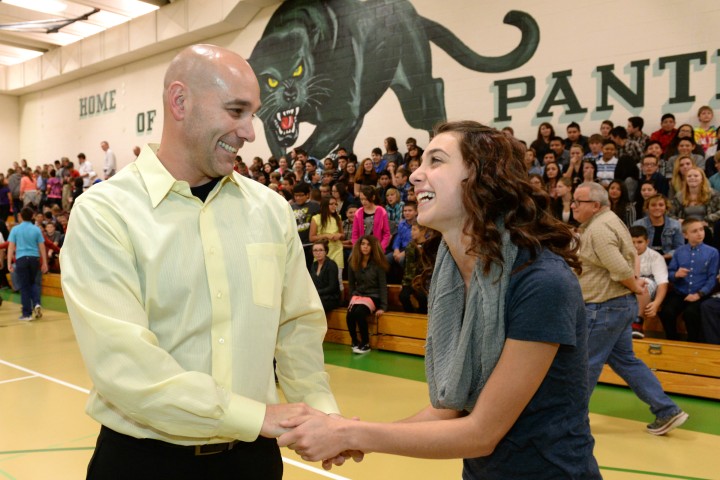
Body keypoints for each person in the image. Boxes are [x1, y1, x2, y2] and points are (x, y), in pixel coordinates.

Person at [60, 44, 349, 480]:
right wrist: (254, 416)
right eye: (236, 111)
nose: (250, 132)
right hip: (143, 462)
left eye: (252, 114)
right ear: (180, 102)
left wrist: (323, 415)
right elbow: (128, 368)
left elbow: (297, 327)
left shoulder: (270, 210)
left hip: (254, 460)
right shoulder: (105, 213)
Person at [278, 122, 601, 479]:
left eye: (436, 161)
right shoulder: (453, 277)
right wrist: (352, 438)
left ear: (481, 178)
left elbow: (481, 432)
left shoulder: (542, 282)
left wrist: (349, 433)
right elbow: (447, 411)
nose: (415, 175)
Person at [572, 181, 689, 436]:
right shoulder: (608, 220)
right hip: (616, 306)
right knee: (626, 361)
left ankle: (571, 424)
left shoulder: (599, 229)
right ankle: (666, 410)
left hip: (603, 307)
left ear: (594, 205)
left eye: (577, 201)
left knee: (585, 364)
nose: (572, 206)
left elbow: (620, 268)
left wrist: (635, 286)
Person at [658, 218, 719, 342]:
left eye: (701, 230)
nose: (700, 233)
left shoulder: (712, 252)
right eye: (694, 231)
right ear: (685, 235)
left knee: (691, 313)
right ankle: (672, 340)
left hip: (700, 293)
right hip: (680, 292)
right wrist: (676, 275)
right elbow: (669, 273)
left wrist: (699, 294)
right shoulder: (679, 252)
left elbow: (712, 278)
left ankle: (693, 342)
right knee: (667, 312)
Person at [345, 234, 388, 354]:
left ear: (373, 247)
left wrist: (383, 307)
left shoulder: (378, 264)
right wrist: (351, 300)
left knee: (359, 312)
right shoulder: (353, 261)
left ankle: (366, 343)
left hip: (373, 296)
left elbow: (382, 286)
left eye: (368, 245)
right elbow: (352, 284)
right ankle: (354, 341)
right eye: (363, 244)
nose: (365, 247)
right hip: (358, 295)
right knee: (350, 314)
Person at [8, 207, 48, 321]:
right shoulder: (36, 229)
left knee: (24, 286)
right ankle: (36, 303)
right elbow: (42, 246)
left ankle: (27, 314)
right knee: (33, 283)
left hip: (21, 259)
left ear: (20, 215)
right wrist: (44, 262)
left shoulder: (15, 229)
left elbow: (11, 246)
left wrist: (9, 262)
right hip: (34, 258)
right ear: (32, 216)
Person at [629, 226, 669, 340]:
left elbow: (663, 283)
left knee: (642, 283)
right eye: (632, 242)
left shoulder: (655, 257)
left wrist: (656, 303)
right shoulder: (623, 255)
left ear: (647, 241)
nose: (636, 246)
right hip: (628, 283)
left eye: (639, 242)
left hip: (648, 286)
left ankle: (638, 322)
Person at [632, 194, 684, 260]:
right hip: (644, 260)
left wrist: (663, 257)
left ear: (666, 208)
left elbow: (679, 248)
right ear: (647, 208)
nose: (657, 208)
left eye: (661, 205)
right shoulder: (638, 224)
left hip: (669, 260)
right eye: (653, 205)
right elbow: (633, 246)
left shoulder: (676, 225)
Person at [309, 197, 344, 284]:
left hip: (337, 250)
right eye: (331, 204)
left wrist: (339, 235)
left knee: (338, 279)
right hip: (321, 251)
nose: (334, 206)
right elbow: (312, 238)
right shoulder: (316, 218)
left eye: (335, 204)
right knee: (320, 279)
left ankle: (340, 297)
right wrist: (325, 235)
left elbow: (343, 235)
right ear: (325, 205)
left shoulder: (338, 217)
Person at [351, 185, 391, 251]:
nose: (363, 202)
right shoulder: (358, 213)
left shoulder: (382, 211)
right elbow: (355, 234)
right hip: (362, 248)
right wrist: (357, 248)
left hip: (377, 248)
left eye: (366, 199)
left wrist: (381, 248)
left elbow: (386, 233)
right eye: (361, 199)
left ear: (373, 197)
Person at [310, 240, 341, 312]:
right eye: (315, 250)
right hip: (318, 296)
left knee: (315, 306)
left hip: (331, 298)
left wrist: (317, 293)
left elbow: (332, 287)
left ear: (326, 252)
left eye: (321, 250)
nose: (318, 253)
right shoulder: (313, 265)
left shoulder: (331, 265)